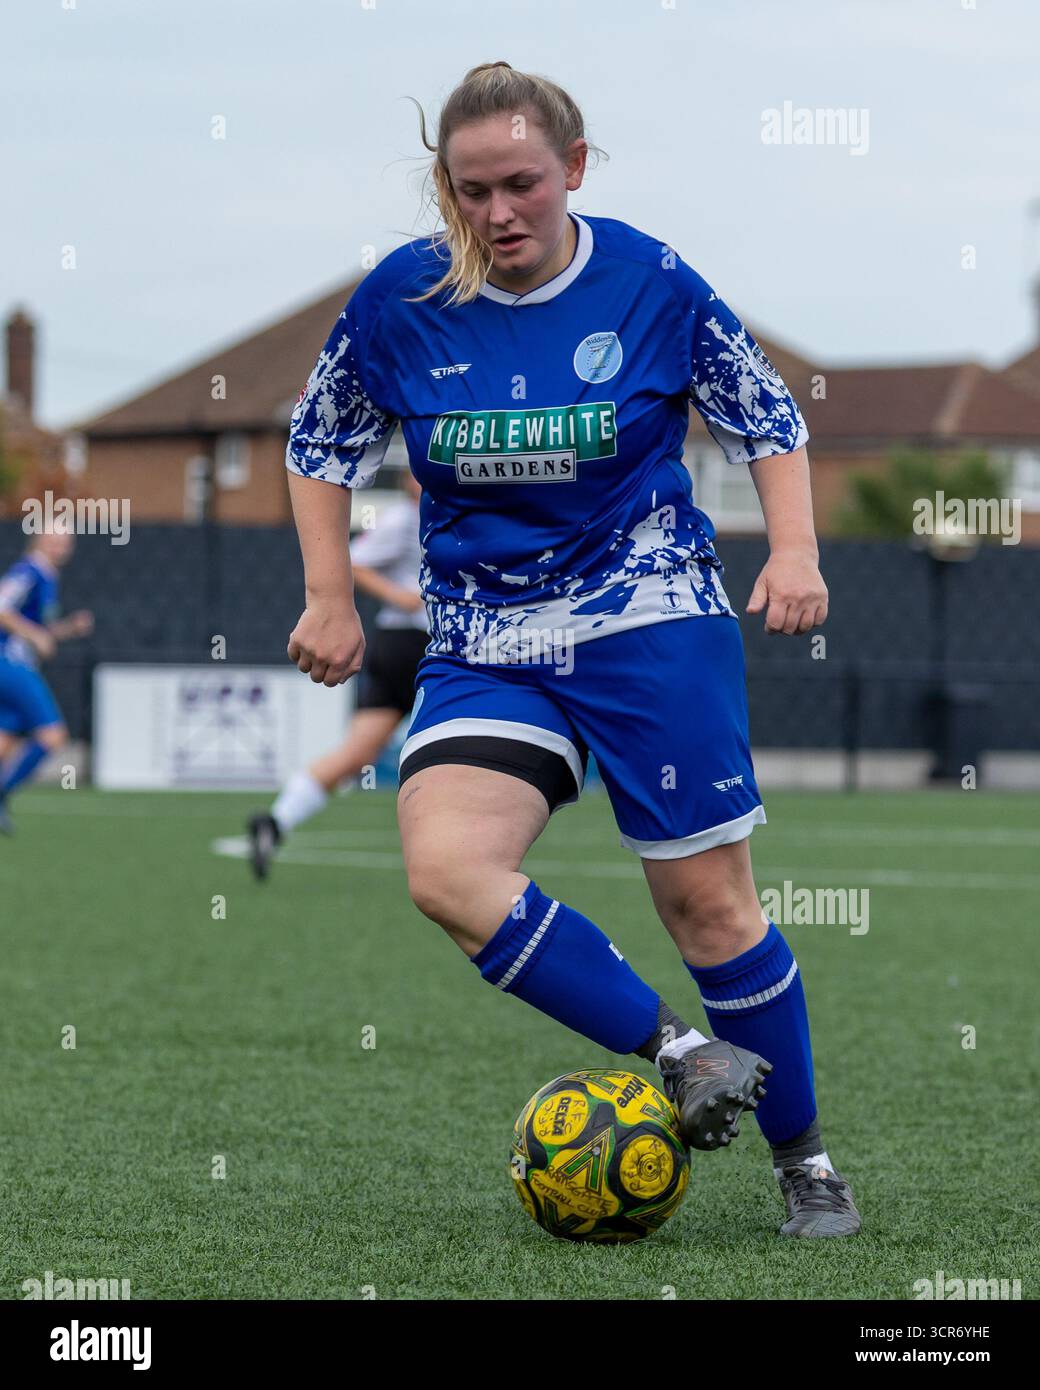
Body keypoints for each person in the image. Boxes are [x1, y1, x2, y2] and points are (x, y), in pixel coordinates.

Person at [282, 62, 859, 1237]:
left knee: (706, 909)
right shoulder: (399, 300)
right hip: (487, 644)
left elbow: (768, 417)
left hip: (649, 623)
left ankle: (804, 1162)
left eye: (521, 186)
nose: (497, 215)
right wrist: (327, 594)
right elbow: (317, 440)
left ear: (574, 170)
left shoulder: (649, 279)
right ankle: (680, 1050)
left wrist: (792, 553)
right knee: (445, 871)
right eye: (470, 190)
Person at [247, 469, 427, 878]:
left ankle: (276, 820)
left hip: (400, 644)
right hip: (415, 645)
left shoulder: (434, 514)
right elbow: (358, 561)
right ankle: (454, 851)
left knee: (359, 753)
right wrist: (400, 596)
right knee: (457, 744)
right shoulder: (405, 519)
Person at [0, 527, 93, 833]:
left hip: (16, 664)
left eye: (66, 541)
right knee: (53, 735)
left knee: (5, 742)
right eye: (55, 540)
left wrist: (68, 628)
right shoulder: (29, 571)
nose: (62, 547)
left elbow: (40, 635)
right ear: (39, 540)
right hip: (10, 666)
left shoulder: (47, 576)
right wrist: (35, 634)